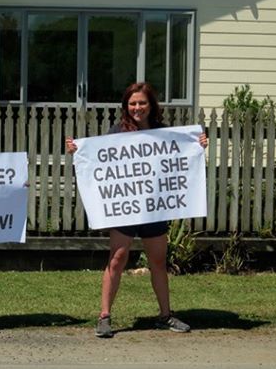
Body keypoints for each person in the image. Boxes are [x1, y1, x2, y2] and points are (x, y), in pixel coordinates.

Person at [65, 82, 208, 338]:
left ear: (151, 105)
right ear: (126, 106)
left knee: (157, 262)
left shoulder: (164, 132)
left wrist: (198, 144)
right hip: (125, 208)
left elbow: (182, 155)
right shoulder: (117, 131)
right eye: (132, 103)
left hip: (153, 208)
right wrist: (78, 150)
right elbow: (99, 158)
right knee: (117, 259)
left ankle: (165, 315)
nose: (137, 107)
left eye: (142, 102)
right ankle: (105, 316)